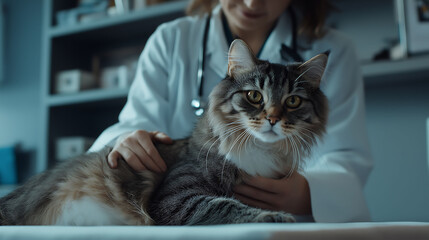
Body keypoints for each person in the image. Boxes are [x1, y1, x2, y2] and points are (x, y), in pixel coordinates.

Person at [89, 0, 373, 223]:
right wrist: (128, 141)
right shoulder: (171, 39)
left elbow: (346, 155)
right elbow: (133, 124)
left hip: (285, 218)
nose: (252, 3)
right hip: (181, 210)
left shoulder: (336, 49)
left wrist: (310, 193)